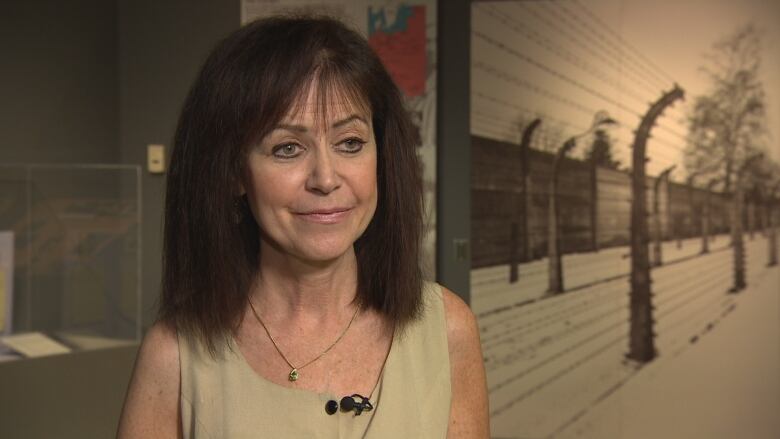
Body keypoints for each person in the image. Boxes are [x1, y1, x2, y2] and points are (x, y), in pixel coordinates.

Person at [117, 15, 488, 438]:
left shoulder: (447, 329)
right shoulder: (174, 356)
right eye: (287, 148)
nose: (326, 179)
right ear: (233, 172)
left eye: (350, 143)